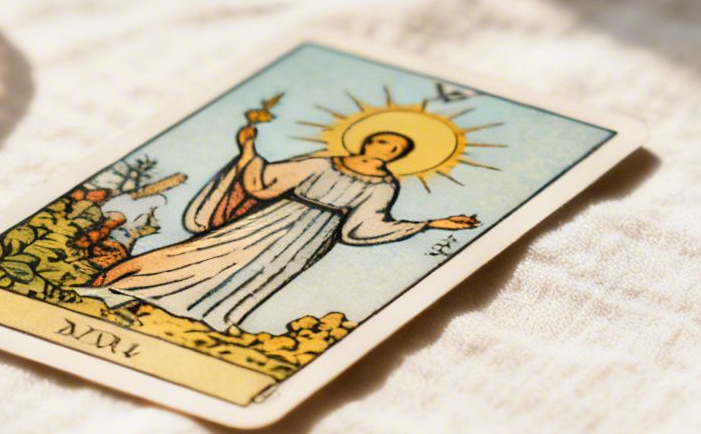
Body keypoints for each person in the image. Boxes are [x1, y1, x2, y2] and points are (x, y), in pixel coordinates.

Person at [90, 125, 478, 332]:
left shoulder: (383, 185)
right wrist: (248, 149)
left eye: (391, 148)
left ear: (397, 156)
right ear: (368, 139)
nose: (381, 148)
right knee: (206, 252)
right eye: (379, 140)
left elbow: (363, 227)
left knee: (261, 274)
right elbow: (266, 182)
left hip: (313, 236)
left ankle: (204, 312)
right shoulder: (325, 160)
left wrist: (430, 224)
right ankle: (118, 280)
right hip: (274, 218)